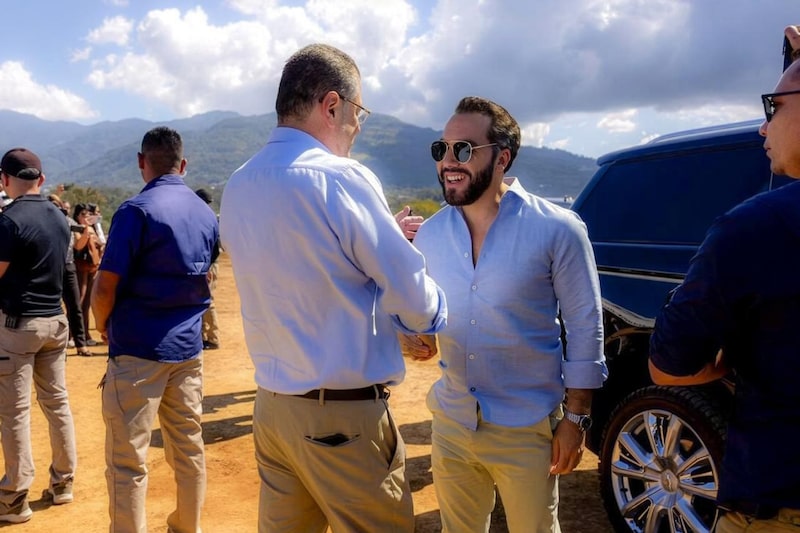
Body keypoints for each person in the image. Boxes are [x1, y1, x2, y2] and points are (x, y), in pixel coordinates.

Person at [219, 43, 447, 533]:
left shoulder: (239, 183)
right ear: (331, 105)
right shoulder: (341, 178)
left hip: (272, 408)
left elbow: (300, 270)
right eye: (358, 111)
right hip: (342, 419)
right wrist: (432, 315)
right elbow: (412, 296)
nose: (358, 126)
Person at [410, 96, 606, 532]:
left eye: (463, 149)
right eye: (441, 149)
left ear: (502, 158)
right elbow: (423, 321)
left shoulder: (557, 229)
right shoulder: (430, 235)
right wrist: (412, 337)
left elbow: (585, 327)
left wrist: (576, 419)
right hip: (452, 423)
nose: (448, 161)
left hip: (527, 428)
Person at [649, 40, 800, 533]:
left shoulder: (755, 227)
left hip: (779, 504)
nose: (763, 126)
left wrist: (727, 359)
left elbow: (668, 365)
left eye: (774, 107)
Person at [91, 127, 218, 533]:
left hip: (137, 350)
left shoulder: (135, 211)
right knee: (188, 448)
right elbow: (206, 274)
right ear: (183, 165)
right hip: (188, 350)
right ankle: (188, 527)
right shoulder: (205, 214)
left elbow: (105, 286)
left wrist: (102, 325)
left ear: (141, 161)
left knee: (128, 461)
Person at [0, 148, 78, 523]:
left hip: (19, 326)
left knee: (15, 412)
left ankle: (15, 497)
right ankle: (63, 483)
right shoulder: (59, 216)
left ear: (4, 180)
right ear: (41, 179)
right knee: (57, 404)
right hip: (55, 322)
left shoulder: (8, 221)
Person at [48, 195, 94, 357]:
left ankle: (81, 344)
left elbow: (78, 246)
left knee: (75, 306)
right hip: (49, 267)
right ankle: (53, 344)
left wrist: (86, 232)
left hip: (68, 266)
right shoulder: (43, 221)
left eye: (59, 207)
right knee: (51, 305)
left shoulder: (69, 222)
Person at [73, 202, 104, 346]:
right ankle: (73, 335)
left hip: (92, 266)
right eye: (83, 214)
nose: (87, 217)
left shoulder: (94, 228)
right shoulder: (76, 228)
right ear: (77, 216)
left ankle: (85, 334)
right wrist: (86, 232)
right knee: (78, 301)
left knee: (86, 304)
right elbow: (78, 245)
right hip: (80, 266)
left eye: (89, 214)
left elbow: (101, 244)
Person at [194, 188, 221, 350]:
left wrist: (207, 267)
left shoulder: (206, 220)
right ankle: (203, 335)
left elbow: (215, 249)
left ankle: (213, 337)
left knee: (208, 301)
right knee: (201, 300)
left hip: (208, 265)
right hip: (203, 264)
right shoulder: (207, 218)